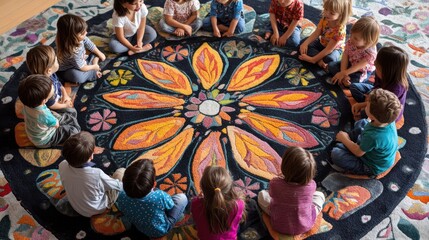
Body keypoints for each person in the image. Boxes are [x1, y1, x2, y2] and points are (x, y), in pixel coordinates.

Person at [330, 89, 401, 176]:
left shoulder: (374, 136)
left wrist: (345, 139)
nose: (365, 106)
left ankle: (346, 145)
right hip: (374, 150)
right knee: (362, 122)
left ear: (372, 116)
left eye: (367, 106)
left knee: (336, 154)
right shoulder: (388, 119)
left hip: (370, 165)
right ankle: (349, 143)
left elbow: (358, 153)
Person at [258, 147, 325, 235]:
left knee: (262, 195)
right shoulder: (311, 185)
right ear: (310, 172)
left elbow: (271, 195)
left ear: (284, 166)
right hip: (305, 225)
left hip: (278, 224)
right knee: (320, 195)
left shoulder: (275, 183)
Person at [116, 160, 187, 238]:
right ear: (154, 184)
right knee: (182, 198)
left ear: (124, 181)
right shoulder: (159, 196)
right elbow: (170, 205)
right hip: (159, 230)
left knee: (120, 171)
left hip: (138, 225)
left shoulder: (120, 195)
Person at [59, 131, 123, 217]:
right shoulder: (97, 174)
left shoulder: (62, 165)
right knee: (120, 172)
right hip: (97, 208)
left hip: (76, 206)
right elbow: (118, 186)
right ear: (91, 156)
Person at [18, 75, 80, 148]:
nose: (53, 86)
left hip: (37, 132)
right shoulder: (44, 114)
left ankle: (71, 121)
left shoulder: (28, 103)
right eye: (52, 87)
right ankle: (76, 129)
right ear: (44, 100)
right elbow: (56, 124)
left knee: (70, 112)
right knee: (74, 131)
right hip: (46, 140)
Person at [350, 45, 409, 122]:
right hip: (378, 95)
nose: (374, 64)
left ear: (387, 71)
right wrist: (371, 95)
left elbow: (383, 106)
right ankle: (368, 105)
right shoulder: (381, 74)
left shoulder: (396, 88)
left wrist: (363, 105)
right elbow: (376, 86)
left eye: (378, 66)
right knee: (354, 87)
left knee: (362, 118)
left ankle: (367, 110)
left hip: (386, 110)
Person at [191, 166, 246, 239]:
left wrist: (200, 198)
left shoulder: (195, 203)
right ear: (229, 187)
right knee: (251, 204)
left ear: (202, 188)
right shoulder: (239, 204)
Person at [299, 0, 352, 69]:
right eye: (326, 9)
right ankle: (319, 61)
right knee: (303, 43)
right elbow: (316, 33)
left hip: (334, 49)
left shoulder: (339, 31)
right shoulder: (324, 19)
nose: (327, 14)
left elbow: (328, 50)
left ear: (341, 15)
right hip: (322, 42)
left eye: (332, 13)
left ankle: (315, 58)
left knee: (330, 59)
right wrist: (305, 43)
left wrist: (312, 60)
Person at [328, 16, 380, 87]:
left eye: (356, 38)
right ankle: (344, 79)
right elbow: (345, 55)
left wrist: (343, 73)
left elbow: (358, 67)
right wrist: (343, 73)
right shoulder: (351, 41)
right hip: (351, 63)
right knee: (331, 66)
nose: (351, 38)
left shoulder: (370, 53)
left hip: (361, 70)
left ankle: (346, 81)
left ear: (367, 42)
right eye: (351, 34)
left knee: (353, 84)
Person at [56, 14, 106, 84]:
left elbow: (89, 43)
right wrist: (94, 67)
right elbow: (82, 68)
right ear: (72, 37)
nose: (86, 33)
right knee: (77, 77)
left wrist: (99, 53)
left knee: (95, 52)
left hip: (80, 60)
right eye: (82, 33)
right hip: (68, 68)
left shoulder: (77, 38)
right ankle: (92, 71)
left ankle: (92, 64)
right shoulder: (73, 51)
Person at [26, 45, 73, 111]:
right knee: (71, 111)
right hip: (53, 106)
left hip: (56, 97)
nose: (58, 60)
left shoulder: (50, 74)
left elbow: (59, 84)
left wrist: (65, 94)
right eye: (56, 60)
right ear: (49, 70)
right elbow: (51, 105)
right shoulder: (45, 88)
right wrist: (65, 105)